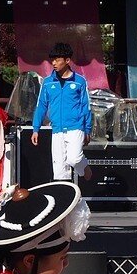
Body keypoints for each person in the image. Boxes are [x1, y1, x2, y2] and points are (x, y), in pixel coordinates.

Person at [31, 43, 92, 182]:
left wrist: (87, 130)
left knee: (74, 159)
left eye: (57, 60)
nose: (54, 63)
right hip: (56, 128)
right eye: (52, 60)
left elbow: (86, 106)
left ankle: (84, 166)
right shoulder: (47, 82)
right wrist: (36, 128)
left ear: (67, 60)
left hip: (75, 127)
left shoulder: (80, 81)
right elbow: (41, 105)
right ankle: (64, 201)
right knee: (59, 170)